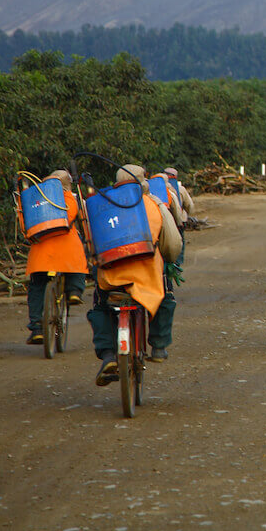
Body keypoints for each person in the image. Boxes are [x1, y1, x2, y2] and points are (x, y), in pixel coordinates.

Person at [87, 164, 182, 385]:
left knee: (100, 306)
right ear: (144, 180)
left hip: (112, 279)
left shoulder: (102, 204)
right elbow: (172, 244)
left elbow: (92, 242)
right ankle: (158, 346)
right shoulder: (154, 203)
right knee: (166, 295)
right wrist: (168, 259)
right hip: (147, 276)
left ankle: (109, 355)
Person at [21, 170, 87, 344]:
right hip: (67, 251)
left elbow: (24, 225)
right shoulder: (70, 198)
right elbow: (81, 221)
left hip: (41, 253)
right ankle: (74, 290)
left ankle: (36, 328)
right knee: (78, 258)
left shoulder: (35, 200)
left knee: (37, 287)